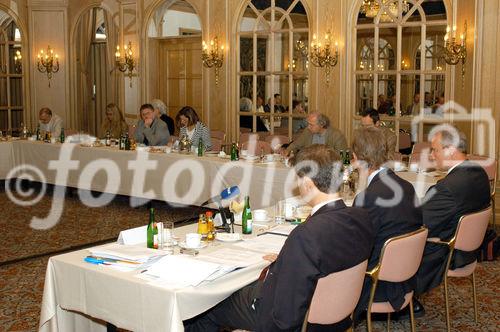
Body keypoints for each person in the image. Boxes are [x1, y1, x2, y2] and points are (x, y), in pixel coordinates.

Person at [184, 144, 374, 332]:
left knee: (206, 306)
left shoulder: (306, 234)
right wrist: (288, 259)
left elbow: (285, 317)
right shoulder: (361, 218)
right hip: (340, 314)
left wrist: (291, 260)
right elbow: (334, 257)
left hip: (286, 318)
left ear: (308, 183)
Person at [351, 127, 423, 322]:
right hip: (406, 277)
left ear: (356, 158)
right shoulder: (407, 187)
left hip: (377, 283)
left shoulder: (367, 198)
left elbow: (356, 249)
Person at [415, 125, 490, 304]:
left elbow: (420, 224)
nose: (432, 155)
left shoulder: (447, 188)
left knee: (395, 242)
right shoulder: (479, 173)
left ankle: (400, 300)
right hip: (470, 249)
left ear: (450, 150)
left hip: (448, 252)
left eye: (435, 150)